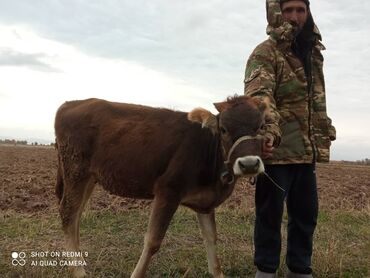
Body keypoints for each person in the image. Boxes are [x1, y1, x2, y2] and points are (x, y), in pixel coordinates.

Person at [244, 0, 336, 277]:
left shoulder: (312, 53)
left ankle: (299, 268)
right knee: (269, 215)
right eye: (288, 10)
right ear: (276, 13)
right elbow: (260, 98)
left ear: (308, 13)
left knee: (306, 215)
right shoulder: (265, 52)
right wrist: (269, 133)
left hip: (306, 152)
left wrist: (323, 131)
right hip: (277, 150)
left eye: (301, 10)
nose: (295, 16)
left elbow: (314, 102)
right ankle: (266, 269)